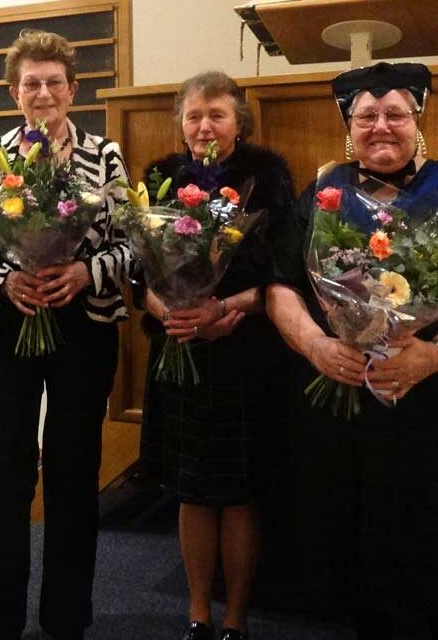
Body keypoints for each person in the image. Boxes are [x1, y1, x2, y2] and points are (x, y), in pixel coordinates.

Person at [266, 62, 438, 640]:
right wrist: (315, 345)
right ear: (349, 126)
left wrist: (434, 354)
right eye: (367, 116)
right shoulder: (325, 195)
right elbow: (281, 286)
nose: (381, 126)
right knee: (362, 571)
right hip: (352, 421)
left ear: (417, 120)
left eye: (395, 114)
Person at [0, 29, 130, 639]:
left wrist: (85, 272)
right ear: (15, 92)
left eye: (55, 82)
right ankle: (3, 620)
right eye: (31, 83)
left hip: (85, 326)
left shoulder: (105, 156)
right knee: (2, 475)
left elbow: (132, 245)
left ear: (73, 90)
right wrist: (5, 280)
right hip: (12, 323)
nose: (44, 93)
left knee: (74, 472)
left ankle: (65, 620)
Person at [134, 71, 295, 640]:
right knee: (192, 491)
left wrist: (223, 308)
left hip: (244, 354)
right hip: (180, 349)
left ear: (239, 123)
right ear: (181, 124)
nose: (205, 126)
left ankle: (236, 618)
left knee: (239, 494)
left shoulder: (267, 178)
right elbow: (140, 273)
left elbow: (283, 274)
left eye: (217, 115)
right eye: (194, 116)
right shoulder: (160, 178)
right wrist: (167, 309)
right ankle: (198, 612)